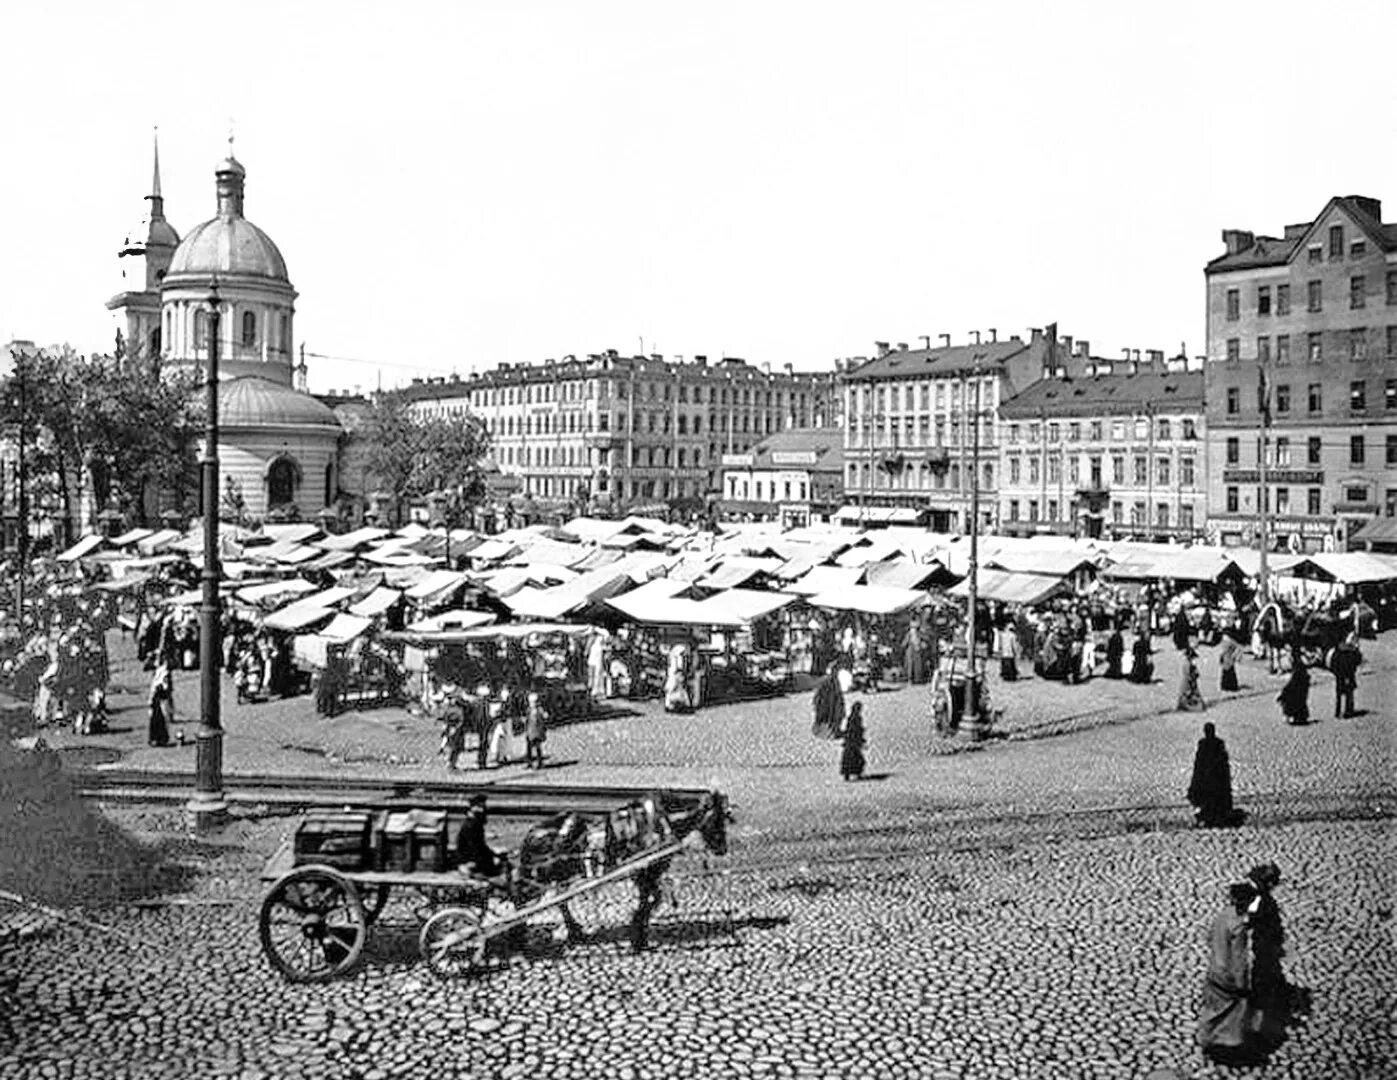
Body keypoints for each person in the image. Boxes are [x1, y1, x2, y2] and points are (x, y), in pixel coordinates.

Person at [1196, 880, 1263, 1065]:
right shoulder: (1238, 927)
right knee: (1233, 1014)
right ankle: (1227, 1049)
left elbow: (1210, 937)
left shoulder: (1223, 916)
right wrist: (1243, 986)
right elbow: (1239, 960)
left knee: (1213, 1010)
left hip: (1214, 969)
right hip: (1229, 977)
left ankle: (1205, 1040)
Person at [1246, 861, 1288, 1049]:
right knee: (1263, 987)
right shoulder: (1264, 902)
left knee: (1265, 984)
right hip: (1265, 950)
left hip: (1264, 949)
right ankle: (1258, 1030)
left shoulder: (1258, 901)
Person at [1187, 722, 1235, 827]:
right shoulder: (1214, 743)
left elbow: (1201, 762)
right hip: (1213, 777)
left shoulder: (1208, 744)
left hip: (1211, 777)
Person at [456, 794, 508, 884]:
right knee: (502, 866)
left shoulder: (472, 824)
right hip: (471, 861)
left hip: (470, 858)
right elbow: (477, 850)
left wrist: (492, 854)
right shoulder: (473, 826)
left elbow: (480, 846)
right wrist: (493, 858)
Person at [1329, 633, 1360, 718]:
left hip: (1340, 672)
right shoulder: (1352, 650)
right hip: (1349, 672)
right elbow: (1358, 659)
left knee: (1339, 693)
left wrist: (1335, 671)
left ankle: (1338, 711)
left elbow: (1333, 661)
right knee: (1349, 692)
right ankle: (1348, 710)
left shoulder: (1338, 649)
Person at [811, 667, 845, 740]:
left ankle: (830, 731)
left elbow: (838, 695)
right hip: (828, 705)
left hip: (831, 704)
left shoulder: (833, 682)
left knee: (831, 717)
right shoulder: (827, 682)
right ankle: (828, 732)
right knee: (828, 717)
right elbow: (819, 695)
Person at [1278, 654, 1310, 726]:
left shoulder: (1297, 672)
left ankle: (1289, 715)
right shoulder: (1301, 671)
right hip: (1300, 694)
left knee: (1286, 698)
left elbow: (1291, 685)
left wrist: (1283, 693)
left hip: (1295, 695)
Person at [147, 660, 174, 747]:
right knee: (156, 719)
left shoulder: (164, 672)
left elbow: (165, 686)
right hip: (157, 698)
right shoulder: (160, 672)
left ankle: (160, 738)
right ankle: (157, 738)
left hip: (160, 698)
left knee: (160, 718)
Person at [840, 700, 866, 781]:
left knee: (851, 758)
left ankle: (848, 774)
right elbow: (853, 729)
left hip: (850, 741)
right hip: (852, 741)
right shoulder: (856, 718)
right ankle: (855, 774)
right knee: (855, 758)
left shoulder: (851, 718)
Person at [524, 690, 548, 770]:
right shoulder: (529, 710)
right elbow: (527, 720)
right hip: (530, 731)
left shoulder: (539, 710)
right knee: (529, 748)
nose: (532, 704)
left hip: (537, 731)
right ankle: (529, 762)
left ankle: (539, 762)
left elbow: (544, 717)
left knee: (538, 747)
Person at [1177, 648, 1206, 712]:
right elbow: (1189, 674)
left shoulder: (1187, 663)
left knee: (1188, 694)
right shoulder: (1188, 664)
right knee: (1189, 694)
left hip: (1189, 682)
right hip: (1189, 682)